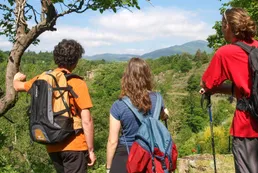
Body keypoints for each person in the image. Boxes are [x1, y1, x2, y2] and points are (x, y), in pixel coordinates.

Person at [199, 7, 258, 173]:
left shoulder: (226, 52)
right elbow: (246, 88)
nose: (221, 29)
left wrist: (212, 89)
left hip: (247, 124)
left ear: (227, 26)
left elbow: (207, 83)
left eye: (222, 25)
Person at [13, 39, 96, 173]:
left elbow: (18, 86)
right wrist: (91, 149)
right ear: (75, 61)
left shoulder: (44, 78)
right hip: (74, 144)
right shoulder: (77, 82)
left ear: (56, 58)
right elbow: (87, 120)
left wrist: (16, 77)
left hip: (52, 142)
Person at [106, 57, 169, 173]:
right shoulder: (158, 99)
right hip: (152, 155)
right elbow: (163, 116)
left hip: (126, 154)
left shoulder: (118, 105)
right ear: (147, 76)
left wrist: (109, 167)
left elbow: (112, 141)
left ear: (126, 77)